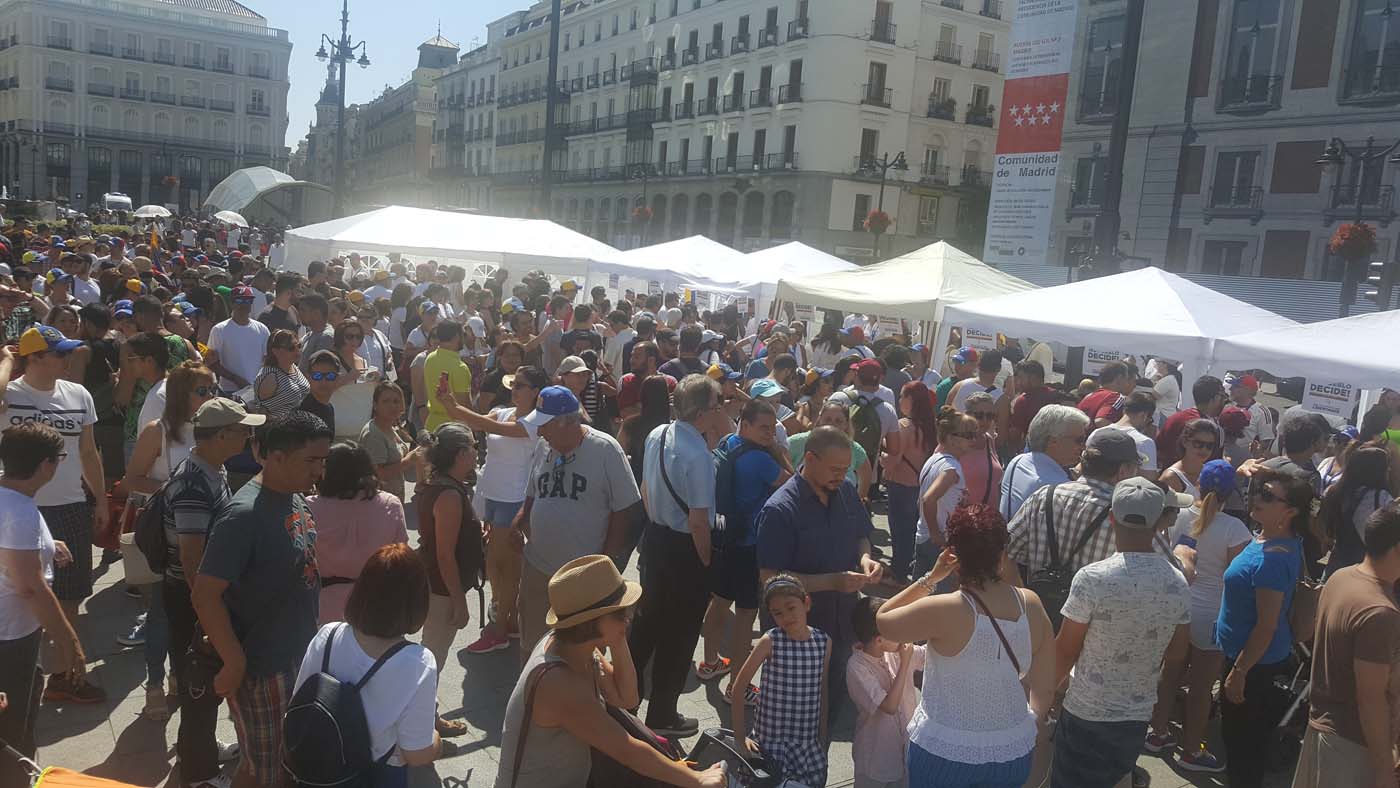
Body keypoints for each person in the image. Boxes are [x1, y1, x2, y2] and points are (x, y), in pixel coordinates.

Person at [494, 555, 726, 788]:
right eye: (619, 613)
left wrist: (617, 638)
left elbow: (627, 698)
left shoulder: (574, 647)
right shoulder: (557, 682)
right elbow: (626, 749)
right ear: (589, 622)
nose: (629, 617)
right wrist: (696, 779)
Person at [193, 411, 331, 788]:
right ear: (276, 456)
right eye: (311, 461)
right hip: (263, 668)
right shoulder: (242, 516)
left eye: (323, 460)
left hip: (297, 654)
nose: (320, 470)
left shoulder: (293, 496)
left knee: (274, 764)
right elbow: (205, 594)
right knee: (268, 772)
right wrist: (234, 661)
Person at [876, 505, 1056, 788]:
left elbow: (884, 620)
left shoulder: (944, 610)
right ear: (1001, 553)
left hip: (944, 751)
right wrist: (1030, 722)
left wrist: (930, 578)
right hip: (1012, 750)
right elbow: (1045, 686)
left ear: (954, 557)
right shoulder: (1030, 604)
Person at [1051, 478, 1192, 788]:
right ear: (1158, 522)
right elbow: (1178, 652)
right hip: (1136, 712)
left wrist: (1048, 692)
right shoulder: (1177, 582)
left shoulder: (1092, 578)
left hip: (1085, 710)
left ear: (1112, 517)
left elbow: (1065, 649)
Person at [2, 327, 108, 703]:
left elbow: (89, 453)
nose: (67, 359)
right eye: (59, 353)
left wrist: (101, 499)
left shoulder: (78, 394)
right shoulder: (10, 395)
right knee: (21, 593)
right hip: (19, 509)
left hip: (69, 506)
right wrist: (6, 361)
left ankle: (63, 674)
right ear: (34, 358)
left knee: (70, 593)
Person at [627, 375, 731, 737]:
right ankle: (663, 714)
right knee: (681, 633)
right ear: (703, 412)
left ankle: (625, 701)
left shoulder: (658, 434)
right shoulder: (698, 455)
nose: (720, 412)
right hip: (684, 547)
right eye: (717, 406)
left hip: (655, 539)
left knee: (645, 624)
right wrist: (704, 563)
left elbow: (644, 488)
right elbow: (699, 522)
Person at [756, 426, 882, 724]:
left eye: (846, 468)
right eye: (835, 468)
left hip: (842, 625)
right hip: (799, 632)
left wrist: (866, 558)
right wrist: (832, 582)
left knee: (831, 705)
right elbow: (770, 576)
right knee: (796, 716)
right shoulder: (780, 509)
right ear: (810, 459)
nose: (842, 475)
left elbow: (861, 534)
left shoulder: (846, 491)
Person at [294, 544, 441, 787]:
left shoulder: (328, 636)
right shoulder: (419, 663)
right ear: (416, 602)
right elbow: (417, 754)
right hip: (378, 776)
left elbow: (299, 703)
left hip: (319, 770)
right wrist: (436, 741)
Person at [515, 386, 642, 654]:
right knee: (533, 644)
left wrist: (605, 561)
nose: (539, 432)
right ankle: (534, 691)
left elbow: (625, 509)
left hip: (583, 574)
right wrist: (523, 518)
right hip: (538, 567)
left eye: (544, 425)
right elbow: (532, 490)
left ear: (566, 423)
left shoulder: (606, 449)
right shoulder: (543, 446)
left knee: (584, 650)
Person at [1144, 460, 1252, 773]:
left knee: (1170, 673)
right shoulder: (1235, 529)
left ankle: (1158, 733)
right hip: (1212, 616)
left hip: (1178, 608)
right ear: (1230, 493)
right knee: (1202, 687)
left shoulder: (1177, 515)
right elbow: (1237, 578)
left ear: (1200, 485)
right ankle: (1191, 750)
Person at [436, 367, 549, 652]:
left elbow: (490, 429)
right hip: (492, 495)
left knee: (506, 564)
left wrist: (455, 406)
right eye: (514, 384)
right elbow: (472, 424)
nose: (515, 388)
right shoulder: (501, 411)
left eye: (521, 385)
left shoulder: (536, 421)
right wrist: (451, 406)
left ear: (536, 391)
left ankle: (499, 628)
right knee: (494, 564)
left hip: (516, 497)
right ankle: (506, 621)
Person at [1214, 468, 1314, 788]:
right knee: (1244, 747)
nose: (1256, 497)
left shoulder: (1272, 558)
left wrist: (1239, 671)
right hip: (1251, 658)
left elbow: (1266, 625)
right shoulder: (1273, 539)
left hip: (1254, 666)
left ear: (1290, 511)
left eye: (1268, 495)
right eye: (1258, 490)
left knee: (1243, 751)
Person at [0, 423, 84, 788]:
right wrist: (69, 641)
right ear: (46, 465)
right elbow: (30, 587)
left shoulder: (10, 500)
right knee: (13, 735)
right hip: (12, 639)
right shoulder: (20, 513)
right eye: (59, 458)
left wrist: (49, 545)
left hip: (12, 634)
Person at [1292, 506, 1400, 788]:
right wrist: (1384, 769)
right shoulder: (1380, 612)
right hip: (1353, 750)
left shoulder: (1341, 577)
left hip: (1323, 735)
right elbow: (1371, 700)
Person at [697, 398, 792, 702]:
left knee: (720, 602)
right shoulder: (762, 460)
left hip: (725, 537)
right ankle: (737, 688)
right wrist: (778, 452)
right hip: (750, 545)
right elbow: (792, 485)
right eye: (764, 428)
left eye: (773, 428)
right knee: (745, 616)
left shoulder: (729, 442)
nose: (770, 434)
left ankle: (710, 662)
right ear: (746, 424)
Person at [1006, 429, 1147, 595]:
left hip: (1041, 611)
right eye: (1135, 468)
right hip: (1093, 618)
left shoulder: (1044, 496)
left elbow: (1005, 554)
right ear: (1122, 471)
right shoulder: (1125, 514)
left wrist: (1026, 602)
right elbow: (1161, 572)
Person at [729, 575, 833, 788]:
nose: (786, 616)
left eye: (791, 608)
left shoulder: (823, 642)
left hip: (806, 745)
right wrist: (739, 738)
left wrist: (822, 739)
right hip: (770, 742)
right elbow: (738, 688)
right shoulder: (771, 640)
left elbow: (822, 692)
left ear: (806, 603)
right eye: (778, 613)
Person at [411, 422, 479, 738]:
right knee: (433, 658)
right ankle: (426, 723)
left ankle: (425, 715)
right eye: (474, 448)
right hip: (440, 589)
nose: (477, 454)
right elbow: (444, 556)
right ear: (461, 453)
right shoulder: (449, 494)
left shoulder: (438, 485)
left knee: (431, 654)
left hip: (432, 584)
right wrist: (459, 601)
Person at [308, 442, 409, 626]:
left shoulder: (308, 507)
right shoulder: (390, 504)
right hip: (375, 603)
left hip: (321, 607)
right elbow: (400, 558)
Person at [844, 596, 925, 788]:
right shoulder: (856, 667)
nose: (902, 633)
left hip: (903, 753)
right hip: (875, 758)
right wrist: (905, 664)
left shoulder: (896, 651)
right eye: (895, 629)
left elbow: (928, 655)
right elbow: (888, 706)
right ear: (879, 640)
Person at [880, 381, 937, 582]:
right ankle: (910, 569)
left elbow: (892, 461)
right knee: (913, 531)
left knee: (900, 532)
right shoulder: (931, 427)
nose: (900, 399)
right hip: (921, 485)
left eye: (903, 395)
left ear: (911, 400)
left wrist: (880, 456)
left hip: (901, 485)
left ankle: (898, 572)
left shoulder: (904, 426)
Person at [913, 407, 981, 576]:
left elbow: (921, 499)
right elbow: (928, 499)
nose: (974, 440)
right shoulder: (952, 469)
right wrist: (936, 534)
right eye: (968, 436)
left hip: (923, 535)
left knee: (920, 591)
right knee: (940, 597)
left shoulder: (933, 460)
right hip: (938, 542)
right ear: (951, 439)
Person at [999, 405, 1090, 522]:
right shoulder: (1058, 488)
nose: (1083, 447)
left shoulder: (1018, 461)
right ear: (1053, 441)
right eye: (1079, 440)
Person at [1318, 446, 1393, 579]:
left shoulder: (1333, 492)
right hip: (1365, 569)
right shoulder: (1380, 497)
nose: (1389, 470)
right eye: (1386, 466)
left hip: (1336, 566)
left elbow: (1322, 525)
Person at [205, 286, 270, 397]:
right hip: (228, 391)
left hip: (255, 391)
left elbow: (267, 359)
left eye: (248, 300)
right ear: (232, 304)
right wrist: (235, 379)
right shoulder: (219, 330)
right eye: (239, 300)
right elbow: (211, 362)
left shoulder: (262, 329)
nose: (244, 304)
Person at [358, 382, 417, 502]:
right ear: (375, 405)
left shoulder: (390, 427)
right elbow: (379, 474)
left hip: (393, 499)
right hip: (378, 503)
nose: (392, 406)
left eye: (396, 401)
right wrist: (409, 460)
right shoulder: (373, 435)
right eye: (386, 401)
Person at [1156, 375, 1228, 469]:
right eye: (1223, 396)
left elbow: (1158, 450)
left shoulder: (1174, 418)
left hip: (1168, 476)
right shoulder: (1209, 428)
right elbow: (1212, 465)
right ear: (1215, 398)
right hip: (1193, 480)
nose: (1225, 401)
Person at [1092, 391, 1159, 475]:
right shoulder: (1144, 442)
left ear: (1124, 411)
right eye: (1150, 420)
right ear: (1144, 415)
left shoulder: (1095, 433)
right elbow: (1149, 478)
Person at [959, 391, 1004, 511]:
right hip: (962, 519)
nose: (985, 420)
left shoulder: (989, 440)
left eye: (990, 416)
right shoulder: (956, 442)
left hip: (987, 520)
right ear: (967, 415)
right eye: (979, 415)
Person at [423, 321, 472, 431]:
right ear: (456, 337)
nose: (465, 338)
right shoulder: (460, 367)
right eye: (463, 334)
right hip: (453, 429)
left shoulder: (429, 358)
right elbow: (463, 405)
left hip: (431, 424)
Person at [253, 329, 311, 420]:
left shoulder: (293, 367)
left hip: (299, 428)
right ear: (275, 351)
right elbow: (260, 412)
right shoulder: (270, 377)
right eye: (291, 348)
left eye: (299, 346)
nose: (297, 350)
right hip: (277, 431)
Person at [1160, 417, 1217, 500]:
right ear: (1185, 442)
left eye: (1209, 446)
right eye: (1198, 444)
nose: (1204, 449)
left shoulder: (1211, 473)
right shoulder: (1171, 478)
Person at [1227, 373, 1276, 456]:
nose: (1231, 388)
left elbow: (1265, 440)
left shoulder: (1261, 411)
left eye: (1235, 386)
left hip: (1245, 462)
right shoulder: (1226, 406)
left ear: (1247, 390)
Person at [296, 350, 343, 436]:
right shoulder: (300, 412)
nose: (323, 381)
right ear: (308, 377)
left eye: (330, 376)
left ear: (338, 378)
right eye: (317, 376)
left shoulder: (329, 408)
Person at [1077, 361, 1135, 429]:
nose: (1127, 384)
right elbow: (1101, 421)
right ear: (1119, 378)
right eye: (1126, 379)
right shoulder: (1116, 397)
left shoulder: (1088, 396)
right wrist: (1124, 434)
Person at [947, 348, 1005, 414]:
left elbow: (945, 414)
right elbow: (1002, 423)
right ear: (999, 368)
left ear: (978, 365)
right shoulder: (1001, 399)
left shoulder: (959, 386)